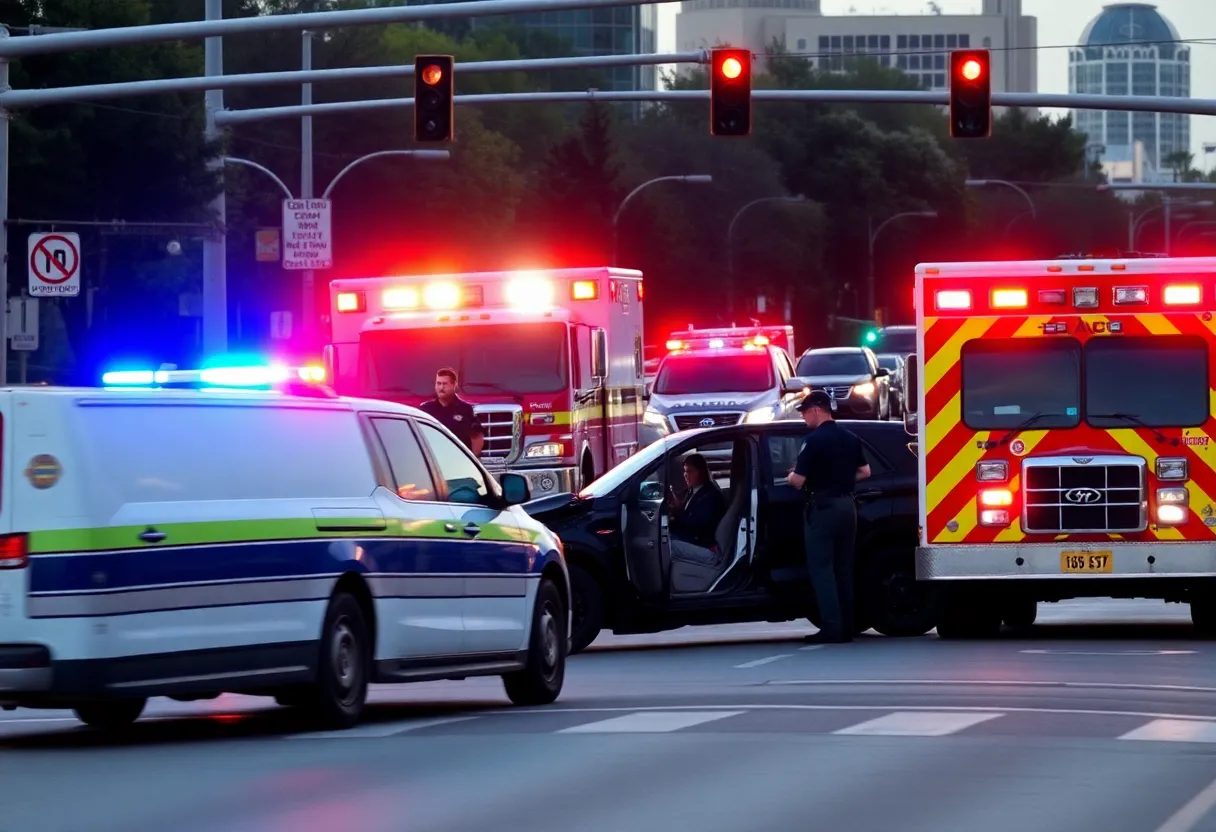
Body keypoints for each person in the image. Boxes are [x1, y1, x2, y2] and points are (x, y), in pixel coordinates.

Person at [787, 390, 871, 644]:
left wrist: (790, 476)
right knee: (843, 569)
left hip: (823, 509)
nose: (804, 419)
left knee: (822, 569)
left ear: (816, 409)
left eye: (804, 413)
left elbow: (798, 480)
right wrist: (843, 480)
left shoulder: (813, 441)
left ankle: (832, 627)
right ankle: (847, 627)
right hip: (848, 507)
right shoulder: (850, 437)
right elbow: (865, 472)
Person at [418, 368, 485, 456]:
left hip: (459, 460)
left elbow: (477, 436)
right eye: (438, 383)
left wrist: (473, 459)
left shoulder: (466, 409)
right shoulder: (426, 409)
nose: (441, 387)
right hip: (435, 459)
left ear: (454, 385)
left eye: (445, 384)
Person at [667, 453, 726, 552]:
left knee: (665, 546)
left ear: (701, 472)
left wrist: (673, 519)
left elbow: (696, 524)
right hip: (691, 538)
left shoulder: (711, 495)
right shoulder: (692, 490)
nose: (686, 475)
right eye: (685, 471)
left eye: (690, 471)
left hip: (702, 545)